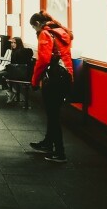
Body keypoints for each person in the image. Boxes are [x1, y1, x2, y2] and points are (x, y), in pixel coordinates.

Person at [28, 11, 74, 162]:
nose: (35, 31)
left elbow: (42, 60)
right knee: (53, 113)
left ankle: (60, 152)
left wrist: (34, 81)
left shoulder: (45, 34)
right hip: (66, 75)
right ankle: (48, 143)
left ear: (37, 24)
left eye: (33, 28)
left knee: (53, 115)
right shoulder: (61, 32)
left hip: (54, 79)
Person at [4, 37, 33, 105]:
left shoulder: (19, 52)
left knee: (0, 76)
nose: (13, 44)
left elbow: (18, 64)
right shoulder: (16, 51)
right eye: (12, 42)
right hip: (16, 72)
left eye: (14, 43)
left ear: (18, 43)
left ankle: (11, 92)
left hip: (20, 73)